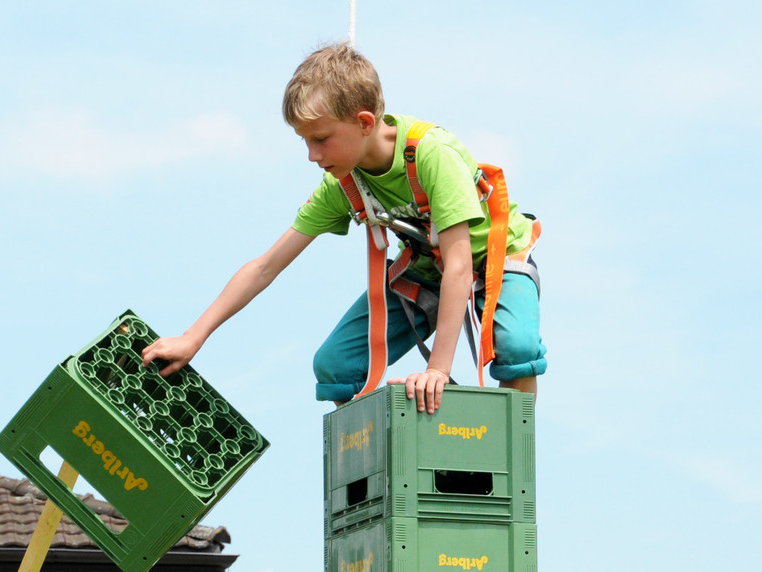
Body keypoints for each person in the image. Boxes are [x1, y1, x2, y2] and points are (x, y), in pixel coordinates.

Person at [141, 42, 546, 414]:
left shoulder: (431, 156)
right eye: (305, 141)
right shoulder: (343, 184)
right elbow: (266, 266)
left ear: (365, 122)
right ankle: (372, 478)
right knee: (334, 366)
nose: (312, 155)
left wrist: (438, 370)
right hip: (428, 272)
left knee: (517, 346)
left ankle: (514, 468)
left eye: (322, 139)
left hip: (495, 259)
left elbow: (460, 266)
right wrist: (194, 337)